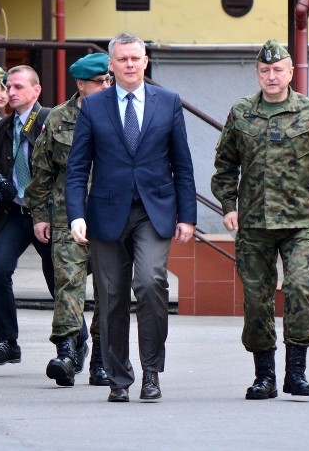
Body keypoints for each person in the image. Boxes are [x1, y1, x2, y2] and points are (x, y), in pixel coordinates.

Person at [211, 40, 309, 401]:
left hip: (301, 221)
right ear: (258, 74)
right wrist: (228, 205)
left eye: (278, 70)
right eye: (265, 71)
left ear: (290, 73)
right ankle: (265, 376)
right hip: (254, 223)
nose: (271, 76)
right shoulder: (241, 112)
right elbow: (225, 164)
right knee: (257, 299)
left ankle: (296, 373)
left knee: (302, 290)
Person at [66, 32, 197, 403]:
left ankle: (151, 371)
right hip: (106, 214)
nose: (128, 65)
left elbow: (182, 164)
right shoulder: (93, 107)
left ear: (145, 61)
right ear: (111, 65)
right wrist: (76, 214)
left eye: (135, 58)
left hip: (153, 212)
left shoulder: (168, 102)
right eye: (122, 59)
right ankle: (118, 378)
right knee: (110, 296)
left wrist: (187, 216)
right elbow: (77, 169)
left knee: (151, 282)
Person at [26, 52, 111, 387]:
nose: (107, 85)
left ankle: (102, 361)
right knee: (68, 285)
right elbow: (41, 171)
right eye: (99, 81)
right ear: (81, 84)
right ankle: (66, 352)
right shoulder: (58, 119)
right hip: (66, 216)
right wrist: (38, 215)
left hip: (110, 217)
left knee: (108, 290)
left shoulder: (120, 115)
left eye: (109, 80)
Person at [0, 66, 57, 367]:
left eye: (18, 87)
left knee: (59, 282)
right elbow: (3, 167)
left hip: (46, 212)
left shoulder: (50, 120)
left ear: (36, 90)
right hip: (15, 210)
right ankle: (8, 341)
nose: (11, 92)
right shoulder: (3, 127)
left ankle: (76, 343)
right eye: (8, 87)